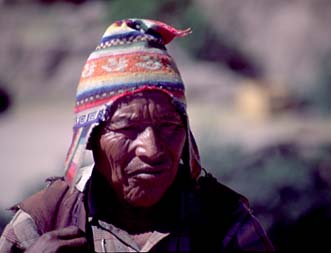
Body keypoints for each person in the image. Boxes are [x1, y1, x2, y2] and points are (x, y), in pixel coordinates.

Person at [0, 18, 274, 252]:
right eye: (127, 128)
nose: (152, 150)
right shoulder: (38, 224)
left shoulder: (225, 223)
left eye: (169, 126)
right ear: (91, 137)